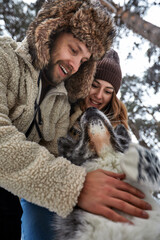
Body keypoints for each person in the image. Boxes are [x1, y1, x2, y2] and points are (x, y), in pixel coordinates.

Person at [0, 0, 151, 239]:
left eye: (83, 61)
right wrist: (75, 185)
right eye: (74, 50)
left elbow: (51, 155)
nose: (74, 65)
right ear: (52, 30)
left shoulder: (59, 102)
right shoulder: (5, 59)